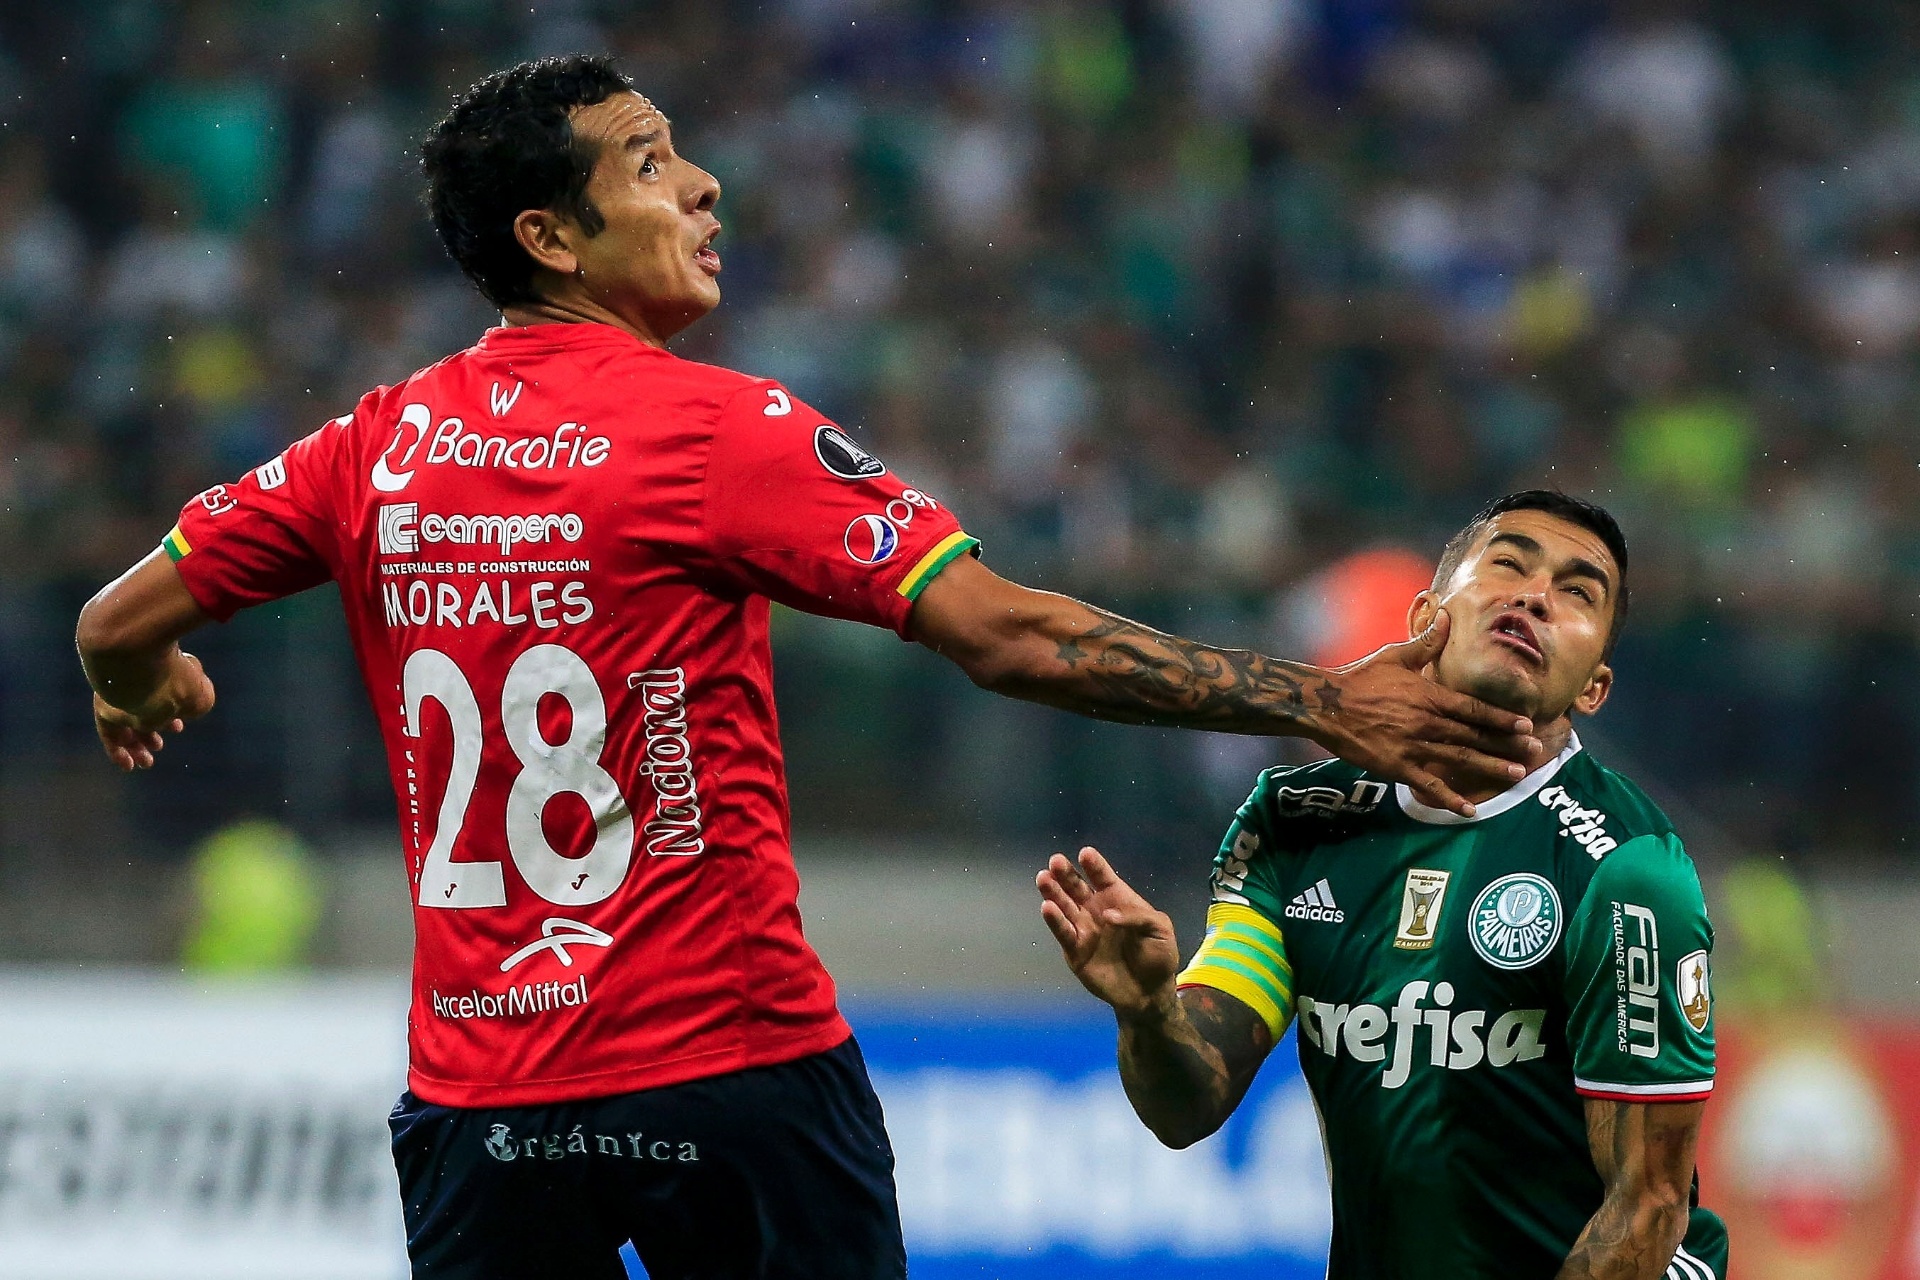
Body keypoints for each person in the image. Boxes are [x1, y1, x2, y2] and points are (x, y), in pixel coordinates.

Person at [74, 57, 1535, 1280]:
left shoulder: (374, 446)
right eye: (653, 165)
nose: (706, 186)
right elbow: (1002, 633)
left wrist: (141, 684)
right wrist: (1320, 699)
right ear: (551, 237)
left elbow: (111, 622)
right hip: (732, 1074)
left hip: (485, 1114)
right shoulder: (713, 431)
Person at [1039, 491, 1729, 1280]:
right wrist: (1147, 1011)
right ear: (1425, 617)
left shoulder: (1627, 869)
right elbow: (1184, 1105)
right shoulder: (1297, 822)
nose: (1536, 596)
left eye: (1578, 593)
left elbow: (1648, 1208)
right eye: (1509, 563)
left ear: (1593, 688)